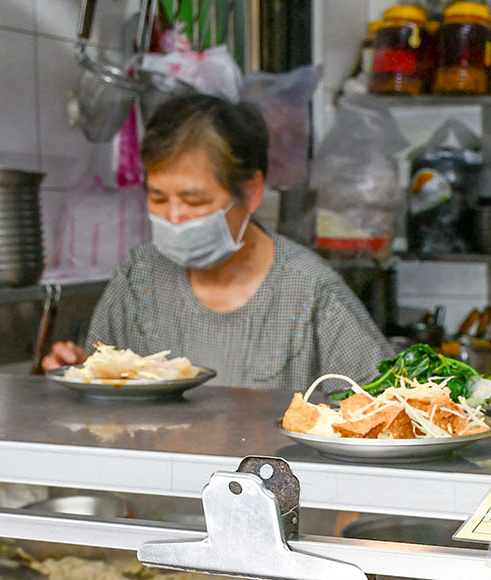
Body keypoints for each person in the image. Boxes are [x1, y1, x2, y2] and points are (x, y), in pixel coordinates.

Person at [44, 94, 390, 392]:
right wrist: (81, 368)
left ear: (252, 192)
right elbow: (102, 392)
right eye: (158, 198)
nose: (174, 217)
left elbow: (385, 404)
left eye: (194, 202)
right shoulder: (140, 276)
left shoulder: (310, 292)